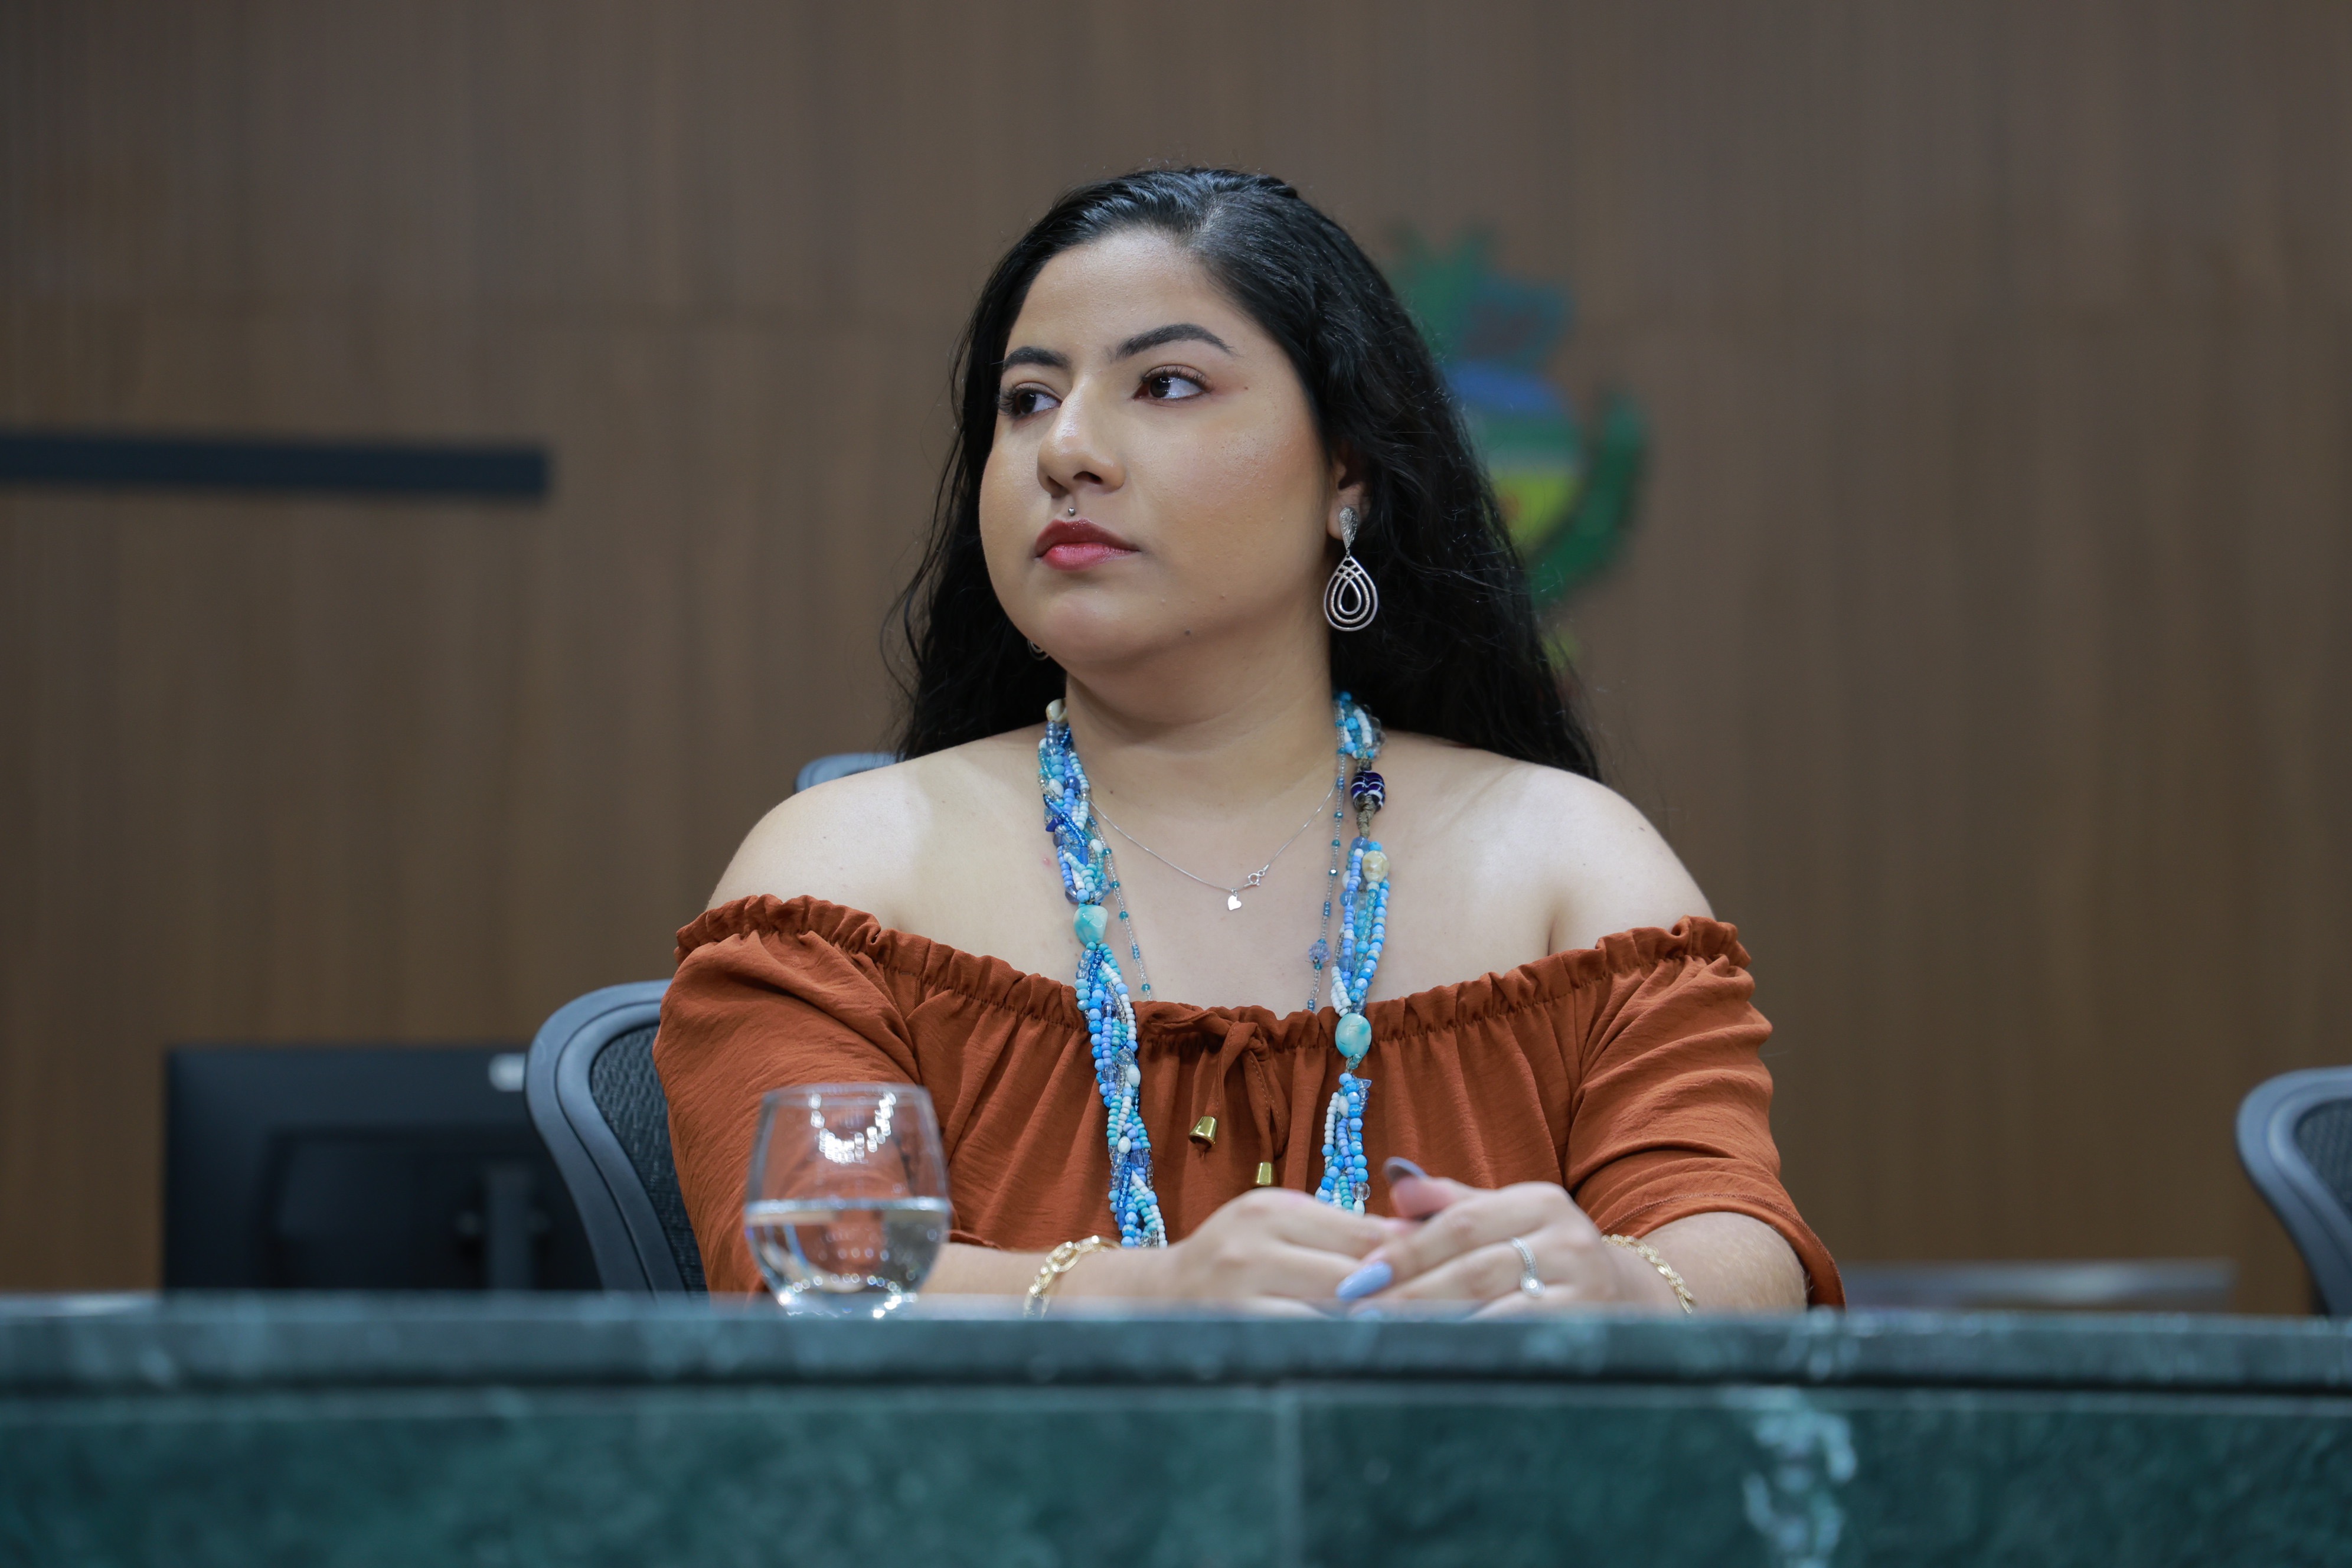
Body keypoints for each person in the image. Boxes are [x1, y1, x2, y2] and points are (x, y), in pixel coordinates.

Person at [657, 168, 1838, 1315]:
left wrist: (1620, 1289)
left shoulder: (1567, 864)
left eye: (1167, 384)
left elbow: (1739, 1252)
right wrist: (1152, 1297)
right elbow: (814, 1282)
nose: (1066, 448)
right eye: (1027, 399)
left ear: (1346, 472)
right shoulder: (842, 877)